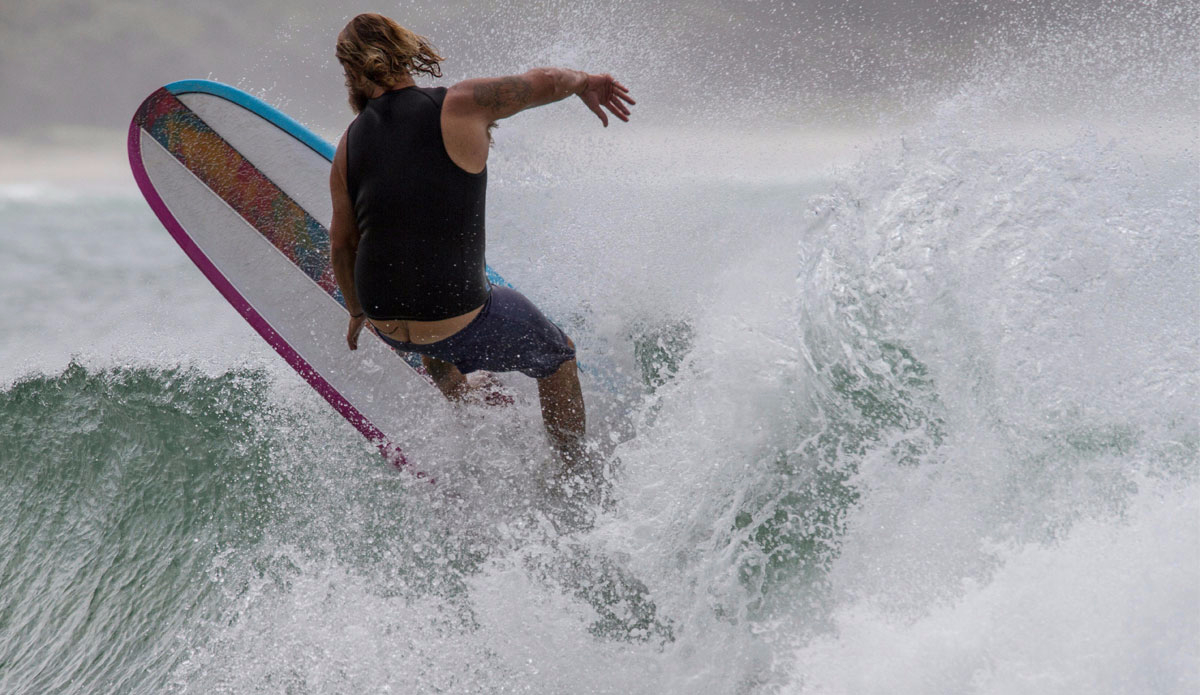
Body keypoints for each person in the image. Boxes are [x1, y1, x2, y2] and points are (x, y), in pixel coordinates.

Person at [328, 13, 635, 464]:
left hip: (386, 322)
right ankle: (573, 476)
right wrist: (585, 80)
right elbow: (545, 81)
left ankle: (469, 398)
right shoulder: (461, 104)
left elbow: (342, 245)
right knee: (557, 356)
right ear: (405, 48)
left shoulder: (348, 144)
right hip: (455, 314)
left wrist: (356, 310)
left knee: (435, 339)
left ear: (351, 71)